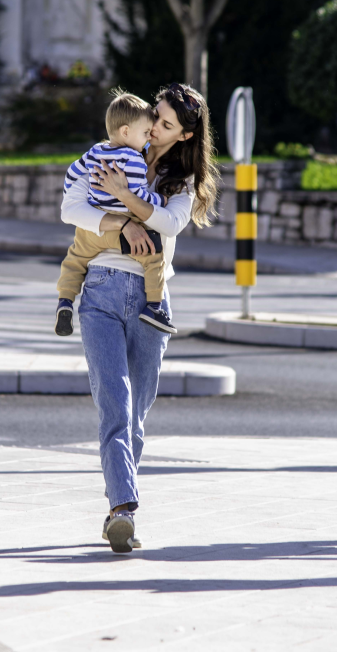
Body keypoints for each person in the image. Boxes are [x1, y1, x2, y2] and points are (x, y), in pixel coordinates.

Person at [61, 83, 220, 553]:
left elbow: (169, 224)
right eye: (155, 116)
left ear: (186, 136)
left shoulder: (184, 183)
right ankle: (123, 510)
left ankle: (119, 505)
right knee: (114, 403)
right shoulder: (116, 150)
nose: (154, 127)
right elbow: (71, 208)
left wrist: (123, 200)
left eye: (167, 124)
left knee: (135, 414)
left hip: (153, 300)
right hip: (102, 289)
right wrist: (124, 222)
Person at [56, 91, 173, 336]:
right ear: (126, 131)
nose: (148, 140)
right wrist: (160, 199)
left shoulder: (96, 151)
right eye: (144, 134)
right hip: (126, 229)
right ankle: (154, 307)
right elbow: (138, 197)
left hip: (94, 226)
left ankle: (65, 300)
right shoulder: (133, 160)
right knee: (154, 259)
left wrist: (69, 188)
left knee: (74, 260)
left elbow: (73, 171)